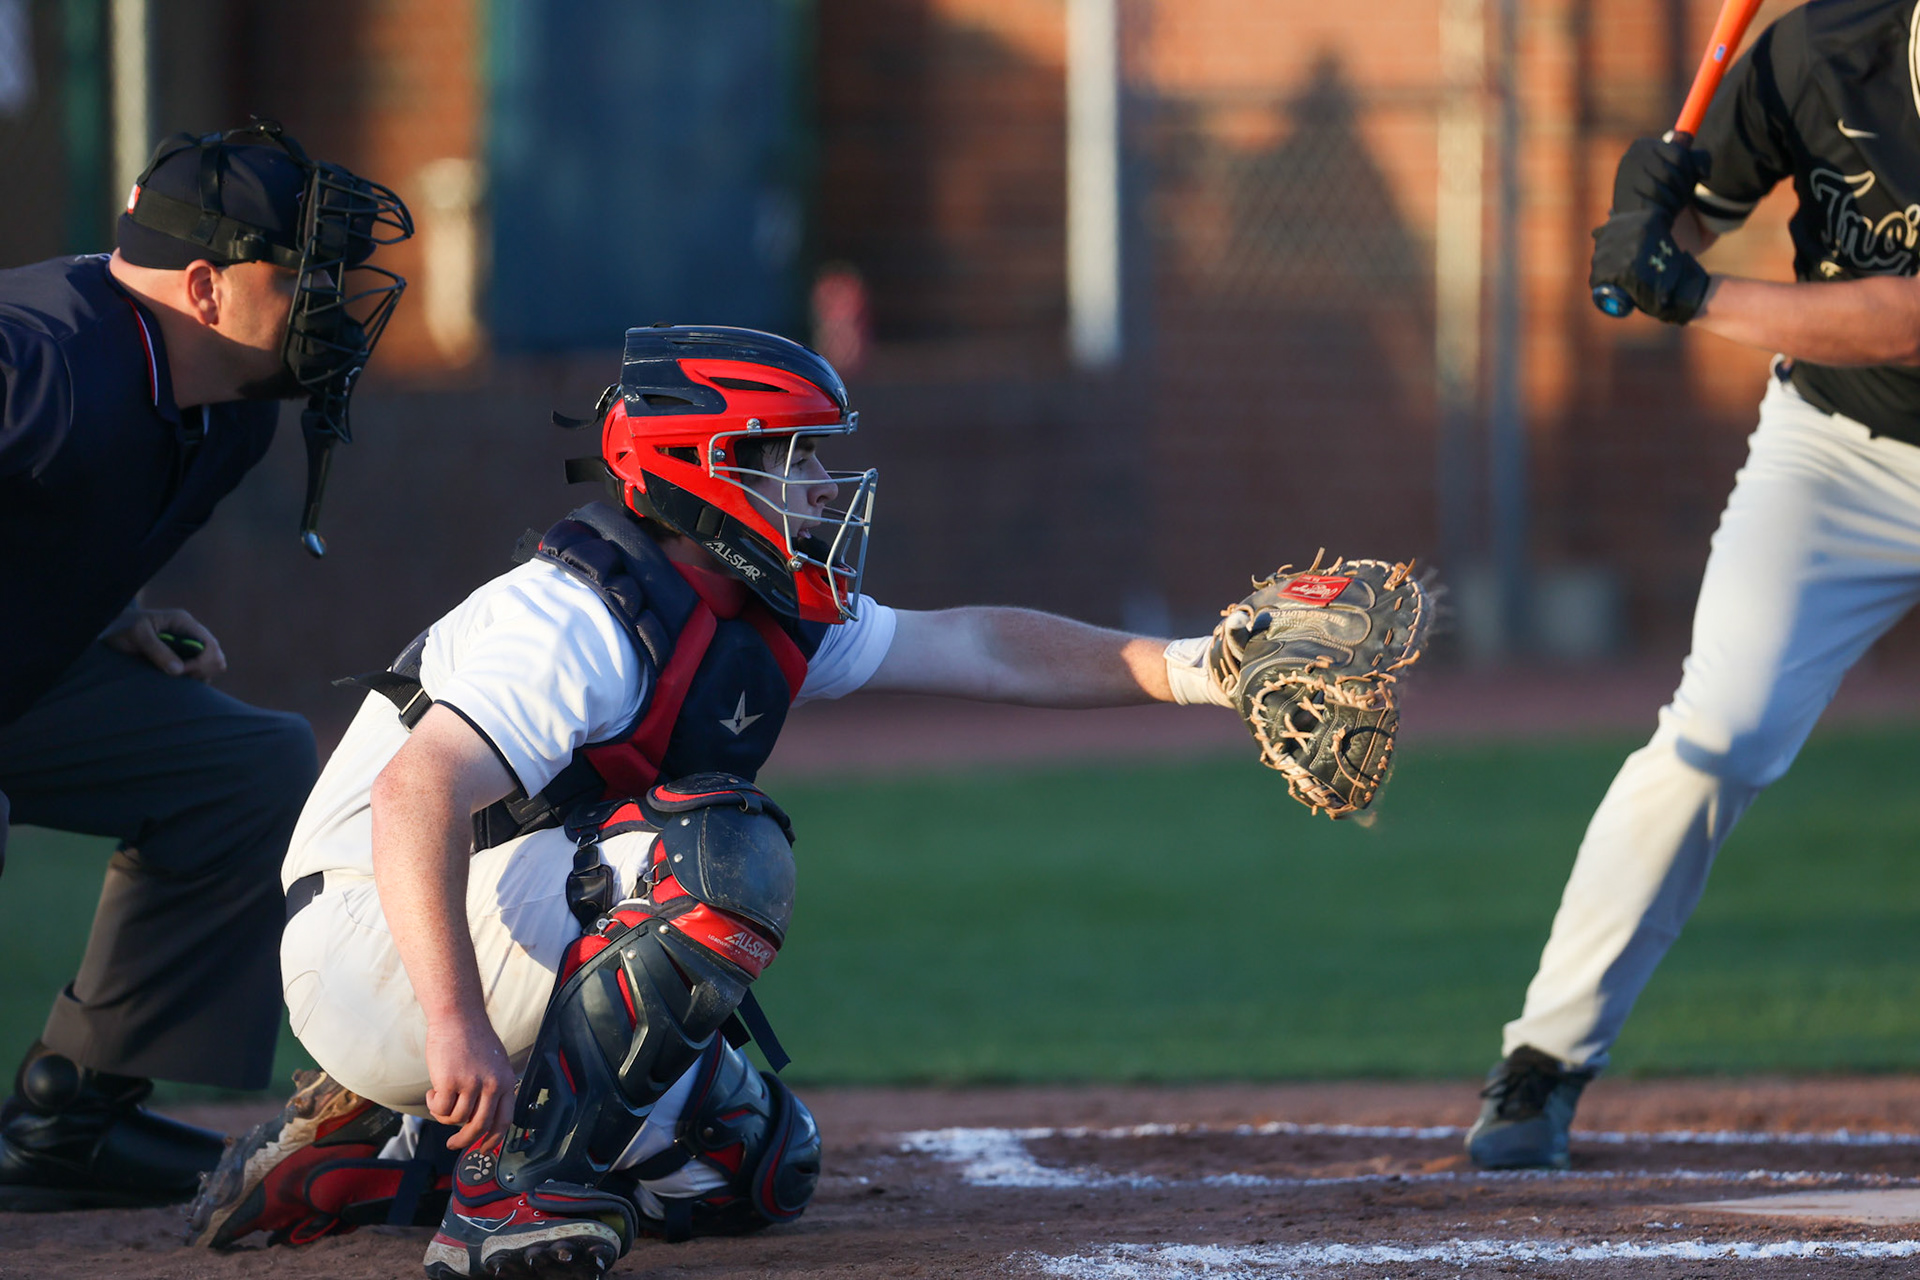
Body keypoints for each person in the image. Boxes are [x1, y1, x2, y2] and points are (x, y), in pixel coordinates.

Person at [185, 324, 1325, 1278]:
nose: (819, 486)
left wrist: (1205, 667)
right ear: (692, 468)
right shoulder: (575, 614)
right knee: (718, 856)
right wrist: (450, 1024)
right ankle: (499, 1200)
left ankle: (385, 1152)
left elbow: (979, 644)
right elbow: (413, 790)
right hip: (371, 937)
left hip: (472, 917)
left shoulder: (744, 600)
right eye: (784, 457)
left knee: (755, 1164)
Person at [1468, 0, 1920, 1169]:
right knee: (1717, 732)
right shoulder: (1819, 54)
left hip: (1874, 371)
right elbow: (1693, 221)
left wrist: (1693, 296)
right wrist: (1646, 216)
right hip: (1842, 459)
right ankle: (1545, 1061)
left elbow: (1911, 319)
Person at [0, 122, 411, 1209]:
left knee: (248, 767)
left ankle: (68, 1120)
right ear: (203, 284)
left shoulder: (229, 404)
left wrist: (101, 606)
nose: (334, 299)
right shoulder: (37, 359)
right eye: (306, 275)